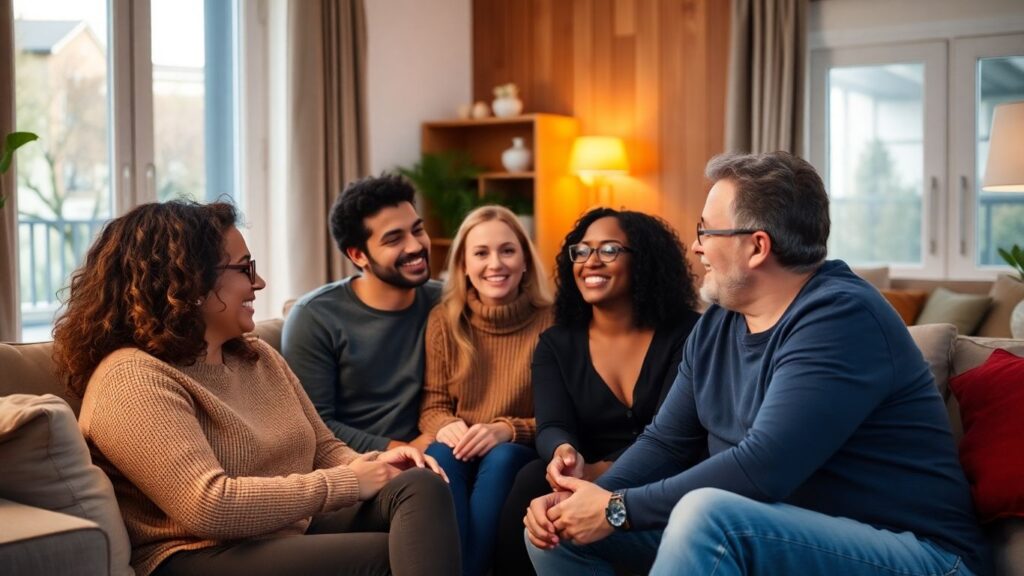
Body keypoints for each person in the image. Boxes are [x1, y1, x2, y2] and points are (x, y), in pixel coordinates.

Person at [523, 151, 991, 576]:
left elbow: (764, 467)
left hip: (921, 555)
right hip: (783, 534)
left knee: (707, 513)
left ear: (757, 246)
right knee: (554, 533)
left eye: (706, 231)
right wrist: (577, 502)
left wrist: (616, 509)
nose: (696, 246)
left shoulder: (841, 317)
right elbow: (665, 442)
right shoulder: (716, 324)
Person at [53, 201, 460, 576]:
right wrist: (350, 483)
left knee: (418, 485)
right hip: (195, 553)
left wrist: (376, 464)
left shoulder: (257, 356)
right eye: (245, 269)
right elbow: (207, 505)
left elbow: (324, 448)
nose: (259, 283)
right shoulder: (133, 377)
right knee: (382, 557)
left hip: (283, 530)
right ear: (189, 283)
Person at [493, 207, 701, 576]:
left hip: (667, 475)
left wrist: (598, 472)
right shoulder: (557, 343)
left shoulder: (687, 332)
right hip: (583, 474)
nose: (590, 262)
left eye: (608, 250)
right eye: (582, 250)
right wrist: (564, 451)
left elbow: (674, 433)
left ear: (644, 261)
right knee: (532, 477)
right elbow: (553, 422)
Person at [418, 205, 554, 576]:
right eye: (481, 253)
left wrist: (507, 429)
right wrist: (446, 424)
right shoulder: (444, 320)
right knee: (440, 455)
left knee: (502, 459)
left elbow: (560, 418)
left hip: (517, 449)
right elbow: (433, 404)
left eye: (507, 250)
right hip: (460, 446)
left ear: (525, 260)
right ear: (463, 264)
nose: (495, 263)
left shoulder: (553, 322)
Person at [283, 174, 440, 453]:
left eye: (417, 230)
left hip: (442, 449)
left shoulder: (445, 301)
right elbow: (313, 422)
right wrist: (397, 448)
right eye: (394, 239)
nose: (416, 246)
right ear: (358, 255)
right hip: (359, 467)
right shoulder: (314, 317)